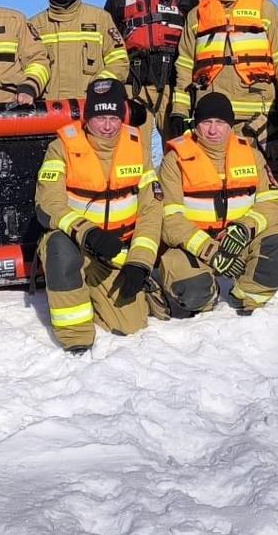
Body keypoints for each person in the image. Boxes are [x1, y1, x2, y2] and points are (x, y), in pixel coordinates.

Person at [34, 79, 164, 353]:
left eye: (114, 117)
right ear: (87, 117)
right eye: (100, 117)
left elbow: (151, 209)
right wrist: (88, 233)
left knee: (131, 325)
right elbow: (48, 203)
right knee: (58, 246)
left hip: (117, 252)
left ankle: (90, 290)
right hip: (77, 244)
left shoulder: (137, 146)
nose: (107, 126)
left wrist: (139, 262)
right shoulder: (61, 147)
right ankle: (76, 337)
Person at [159, 94, 278, 315]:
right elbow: (169, 218)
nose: (213, 130)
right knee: (193, 293)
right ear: (195, 125)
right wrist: (210, 251)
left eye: (221, 123)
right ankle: (205, 303)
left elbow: (272, 202)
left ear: (231, 126)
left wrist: (243, 228)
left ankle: (248, 299)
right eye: (206, 122)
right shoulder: (174, 160)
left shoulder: (252, 155)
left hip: (238, 244)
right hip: (191, 250)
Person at [172, 0, 278, 153]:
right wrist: (179, 111)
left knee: (263, 180)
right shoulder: (197, 14)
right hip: (211, 119)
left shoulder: (267, 9)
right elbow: (184, 66)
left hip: (258, 116)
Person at [105, 0, 201, 148]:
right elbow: (108, 42)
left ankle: (174, 182)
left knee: (179, 147)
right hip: (134, 85)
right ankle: (142, 184)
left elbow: (197, 39)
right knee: (133, 150)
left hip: (171, 83)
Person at [30, 0, 128, 102]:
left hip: (90, 104)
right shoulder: (36, 24)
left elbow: (119, 61)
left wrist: (101, 86)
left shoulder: (100, 18)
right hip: (51, 108)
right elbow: (31, 64)